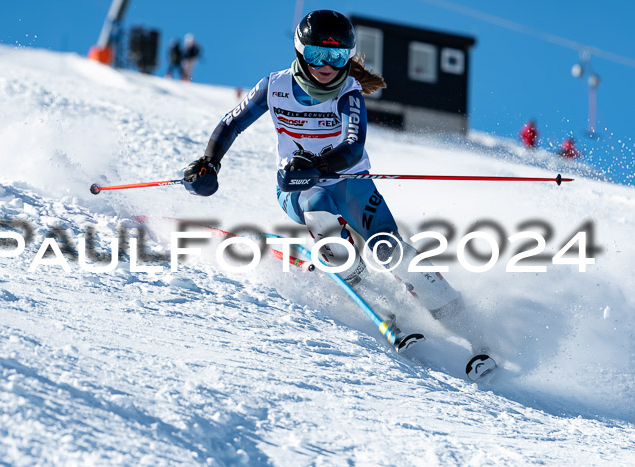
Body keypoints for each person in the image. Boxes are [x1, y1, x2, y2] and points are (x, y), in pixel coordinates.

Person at [181, 10, 495, 380]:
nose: (325, 66)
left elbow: (351, 144)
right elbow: (232, 123)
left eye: (336, 57)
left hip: (350, 182)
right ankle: (379, 305)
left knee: (393, 253)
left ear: (347, 57)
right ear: (300, 51)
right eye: (316, 54)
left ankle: (474, 335)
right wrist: (209, 162)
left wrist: (319, 165)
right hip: (300, 187)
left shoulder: (349, 94)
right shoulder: (275, 86)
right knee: (324, 222)